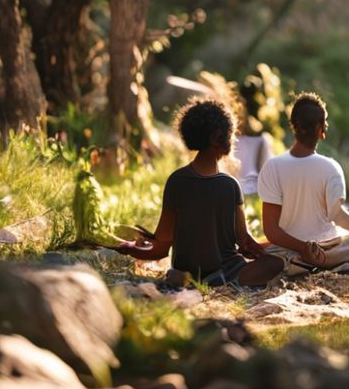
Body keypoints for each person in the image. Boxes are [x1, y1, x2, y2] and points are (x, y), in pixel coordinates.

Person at [115, 98, 281, 287]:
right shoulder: (230, 185)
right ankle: (221, 281)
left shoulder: (176, 181)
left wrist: (129, 249)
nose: (234, 139)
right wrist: (270, 250)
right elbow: (245, 243)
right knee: (276, 263)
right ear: (217, 137)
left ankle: (196, 280)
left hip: (185, 272)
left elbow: (160, 250)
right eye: (231, 134)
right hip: (228, 270)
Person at [257, 92, 349, 276]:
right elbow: (339, 218)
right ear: (322, 129)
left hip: (289, 250)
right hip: (326, 251)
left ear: (293, 126)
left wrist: (302, 247)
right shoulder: (330, 167)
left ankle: (298, 263)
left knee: (268, 250)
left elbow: (272, 231)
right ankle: (334, 264)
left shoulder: (272, 166)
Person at [231, 74, 275, 198]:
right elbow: (266, 173)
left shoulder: (230, 135)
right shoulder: (262, 139)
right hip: (253, 193)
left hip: (230, 191)